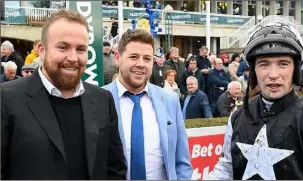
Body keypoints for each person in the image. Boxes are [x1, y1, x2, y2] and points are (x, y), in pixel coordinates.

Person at [207, 22, 303, 180]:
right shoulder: (237, 118)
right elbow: (227, 167)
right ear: (253, 71)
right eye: (263, 64)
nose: (273, 74)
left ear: (295, 70)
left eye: (283, 64)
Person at [1, 9, 127, 180]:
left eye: (81, 49)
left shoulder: (103, 100)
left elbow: (115, 170)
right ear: (41, 49)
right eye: (63, 47)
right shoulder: (7, 99)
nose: (73, 57)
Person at [102, 29, 192, 180]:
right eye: (133, 57)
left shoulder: (170, 100)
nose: (141, 64)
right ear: (117, 57)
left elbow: (181, 162)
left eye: (147, 59)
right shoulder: (100, 100)